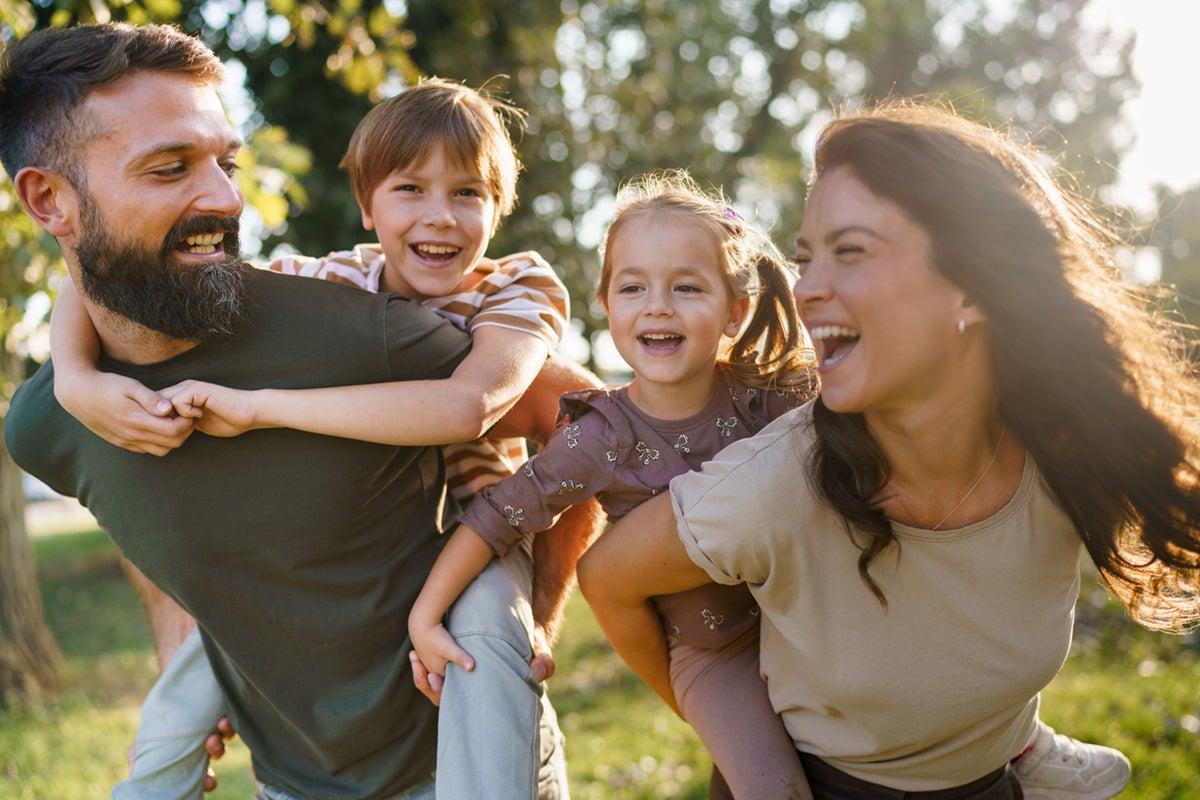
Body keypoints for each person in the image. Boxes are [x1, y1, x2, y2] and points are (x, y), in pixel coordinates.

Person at [1, 22, 599, 800]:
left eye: (227, 162)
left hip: (458, 761)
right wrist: (79, 382)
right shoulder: (51, 426)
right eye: (170, 167)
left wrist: (535, 616)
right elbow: (131, 501)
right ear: (49, 200)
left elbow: (585, 421)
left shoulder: (364, 328)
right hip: (286, 784)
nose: (224, 196)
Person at [578, 100, 1200, 800]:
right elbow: (606, 578)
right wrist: (732, 727)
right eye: (808, 259)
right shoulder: (773, 485)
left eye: (850, 251)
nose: (808, 291)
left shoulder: (1062, 447)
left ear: (974, 285)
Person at [409, 170, 821, 799]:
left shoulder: (768, 399)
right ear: (606, 304)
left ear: (735, 309)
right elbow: (498, 516)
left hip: (807, 623)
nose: (658, 305)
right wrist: (426, 615)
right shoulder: (599, 436)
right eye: (633, 287)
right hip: (715, 655)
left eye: (686, 286)